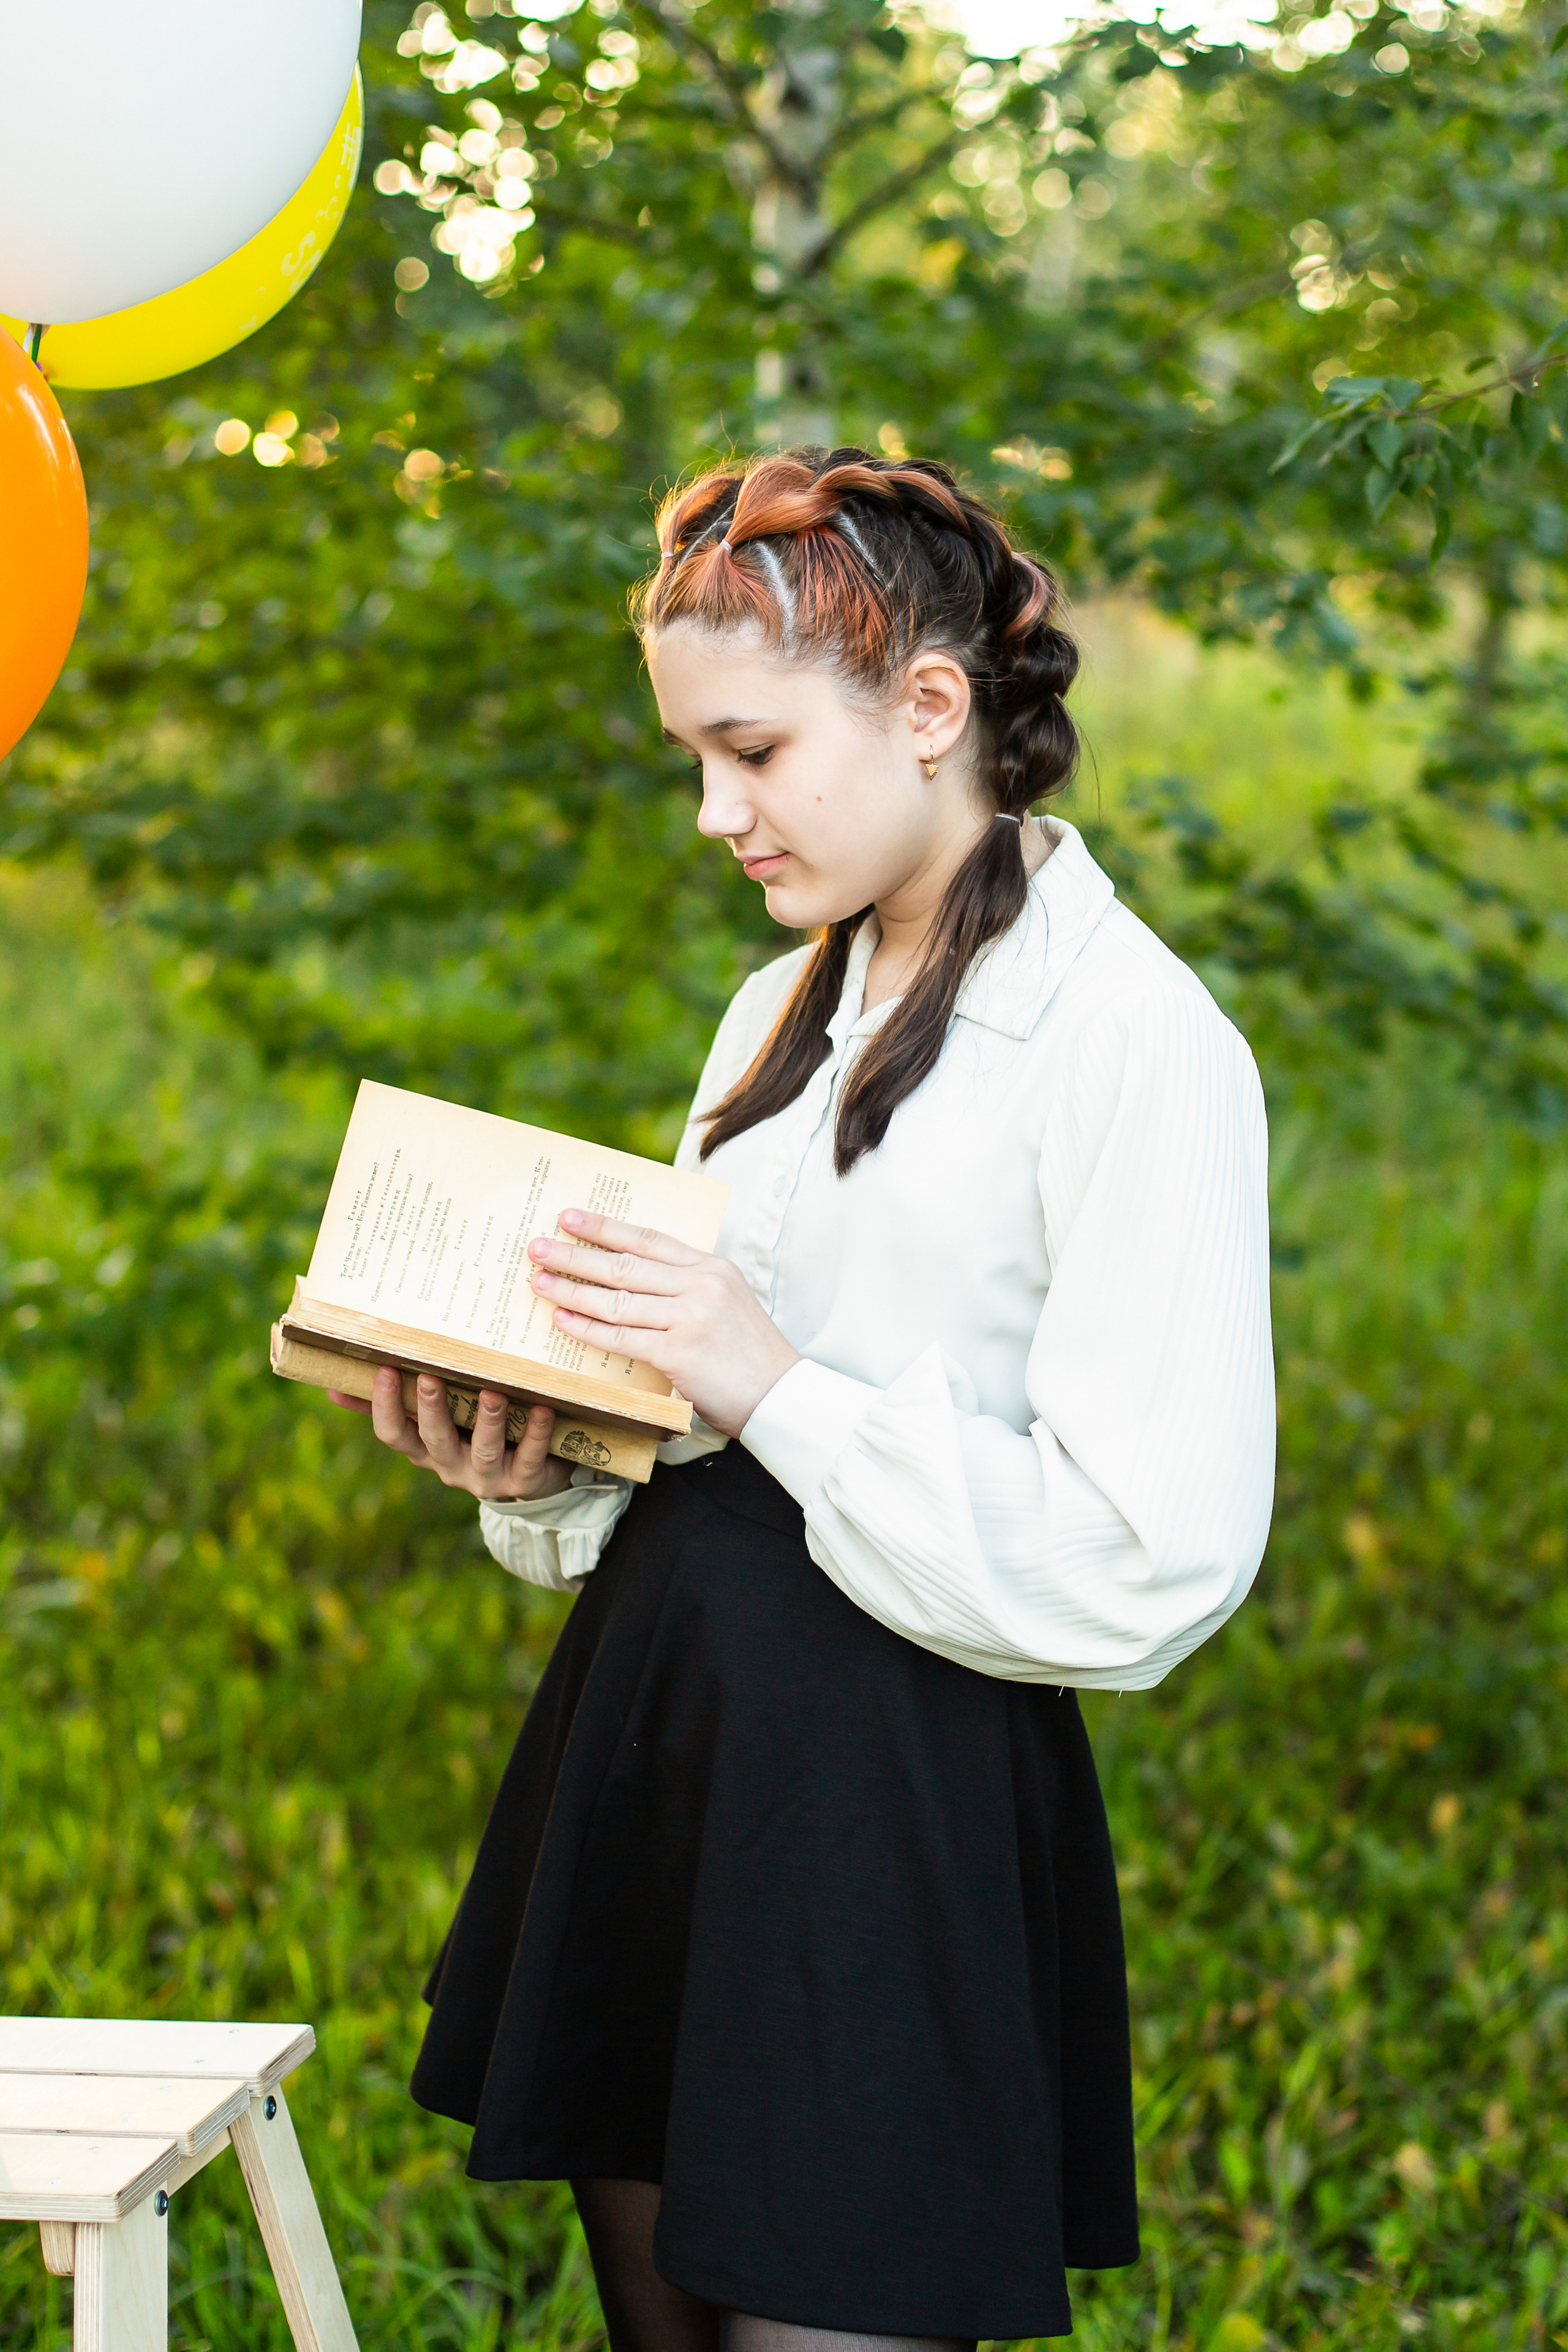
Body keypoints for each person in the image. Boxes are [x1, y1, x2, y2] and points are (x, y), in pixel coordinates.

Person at [330, 449, 1276, 2352]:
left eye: (752, 752)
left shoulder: (1136, 1044)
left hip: (885, 1787)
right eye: (696, 756)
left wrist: (769, 1383)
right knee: (662, 2320)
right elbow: (684, 1419)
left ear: (933, 710)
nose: (715, 812)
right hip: (666, 1723)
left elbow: (1144, 1553)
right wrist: (536, 1458)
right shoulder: (772, 1012)